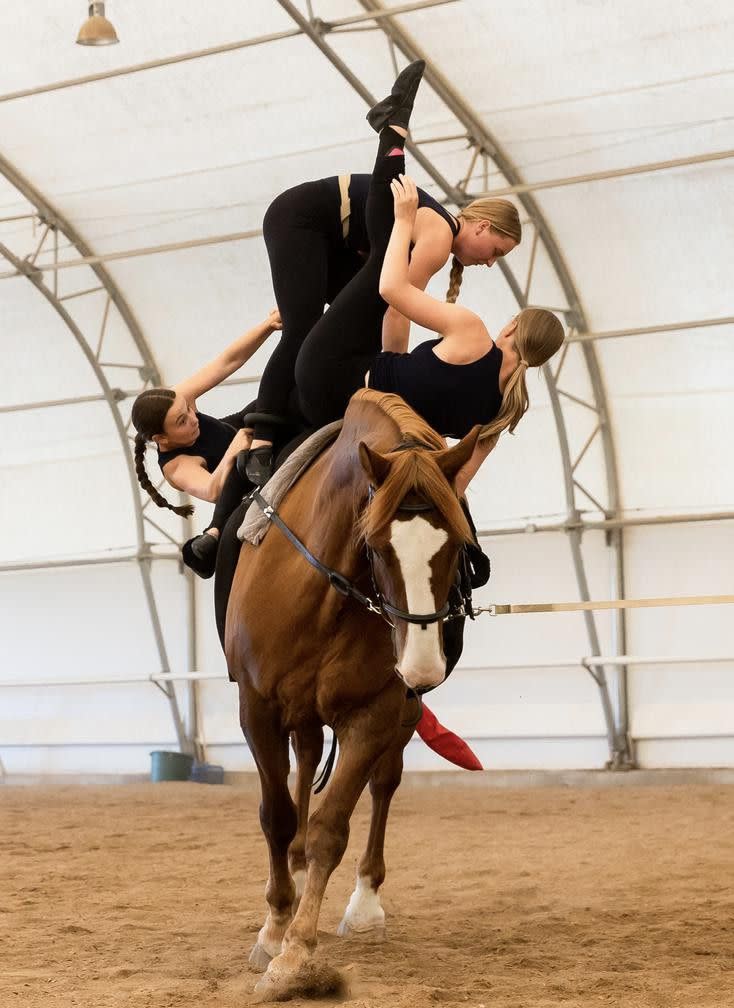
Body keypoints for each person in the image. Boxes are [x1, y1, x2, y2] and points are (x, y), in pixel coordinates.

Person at [288, 60, 565, 496]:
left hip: (339, 379)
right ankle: (392, 131)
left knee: (382, 259)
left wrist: (402, 221)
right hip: (361, 410)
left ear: (512, 326)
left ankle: (393, 136)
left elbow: (391, 291)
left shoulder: (472, 331)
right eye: (495, 254)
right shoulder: (506, 412)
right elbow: (458, 484)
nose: (491, 263)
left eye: (497, 255)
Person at [243, 111, 522, 484]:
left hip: (334, 237)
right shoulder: (438, 239)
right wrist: (394, 377)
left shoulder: (437, 233)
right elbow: (398, 307)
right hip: (304, 220)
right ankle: (262, 439)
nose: (490, 262)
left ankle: (289, 411)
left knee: (350, 325)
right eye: (496, 251)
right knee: (301, 328)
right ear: (483, 226)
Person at [130, 310, 285, 576]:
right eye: (181, 421)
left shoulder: (177, 400)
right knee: (242, 456)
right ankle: (215, 530)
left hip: (237, 427)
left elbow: (228, 361)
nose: (193, 418)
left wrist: (268, 325)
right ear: (161, 439)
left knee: (280, 389)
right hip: (238, 476)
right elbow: (213, 490)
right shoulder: (175, 466)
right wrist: (237, 446)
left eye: (189, 409)